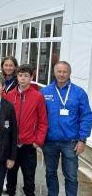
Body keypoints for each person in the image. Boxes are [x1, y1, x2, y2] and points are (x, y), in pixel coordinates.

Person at [40, 61, 92, 196]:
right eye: (59, 71)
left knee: (71, 176)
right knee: (50, 173)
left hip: (71, 142)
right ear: (54, 72)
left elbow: (86, 116)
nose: (61, 74)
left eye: (65, 72)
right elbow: (39, 117)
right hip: (49, 141)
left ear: (70, 73)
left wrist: (82, 140)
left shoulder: (79, 93)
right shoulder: (45, 92)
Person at [5, 64, 48, 196]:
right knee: (11, 177)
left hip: (29, 145)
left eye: (26, 76)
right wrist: (6, 138)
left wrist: (38, 141)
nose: (23, 78)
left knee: (29, 179)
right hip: (12, 145)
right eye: (20, 75)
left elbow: (43, 121)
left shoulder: (38, 96)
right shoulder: (9, 95)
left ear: (31, 77)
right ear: (17, 77)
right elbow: (5, 119)